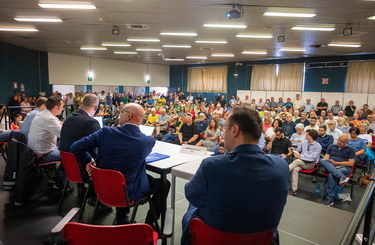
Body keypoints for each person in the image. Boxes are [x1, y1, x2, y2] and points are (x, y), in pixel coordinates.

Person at [181, 106, 289, 245]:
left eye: (225, 128)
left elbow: (191, 194)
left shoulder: (211, 165)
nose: (223, 133)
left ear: (234, 130)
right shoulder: (281, 166)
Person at [70, 103, 170, 225]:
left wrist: (88, 161)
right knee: (164, 183)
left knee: (121, 173)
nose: (119, 114)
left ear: (129, 116)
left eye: (122, 111)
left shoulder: (105, 132)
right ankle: (150, 222)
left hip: (100, 187)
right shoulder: (148, 141)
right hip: (128, 192)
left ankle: (121, 216)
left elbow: (76, 147)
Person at [320, 134, 356, 206]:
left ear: (346, 142)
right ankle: (341, 177)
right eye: (339, 140)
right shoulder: (332, 146)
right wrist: (326, 158)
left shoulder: (351, 150)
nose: (339, 142)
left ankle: (330, 198)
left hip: (344, 167)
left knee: (331, 175)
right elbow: (326, 156)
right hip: (331, 166)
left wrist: (336, 163)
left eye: (342, 141)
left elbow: (351, 163)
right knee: (322, 161)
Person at [27, 96, 64, 162]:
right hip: (43, 155)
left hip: (33, 152)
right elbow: (64, 135)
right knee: (71, 155)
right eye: (62, 107)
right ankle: (60, 172)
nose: (63, 109)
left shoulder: (41, 114)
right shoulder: (49, 119)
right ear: (56, 107)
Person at [288, 129, 322, 195]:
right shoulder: (304, 143)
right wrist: (295, 153)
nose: (305, 135)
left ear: (311, 136)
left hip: (310, 164)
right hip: (302, 162)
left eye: (307, 134)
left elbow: (312, 158)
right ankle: (294, 189)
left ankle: (284, 171)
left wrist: (300, 157)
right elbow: (297, 150)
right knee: (295, 169)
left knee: (297, 161)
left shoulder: (318, 146)